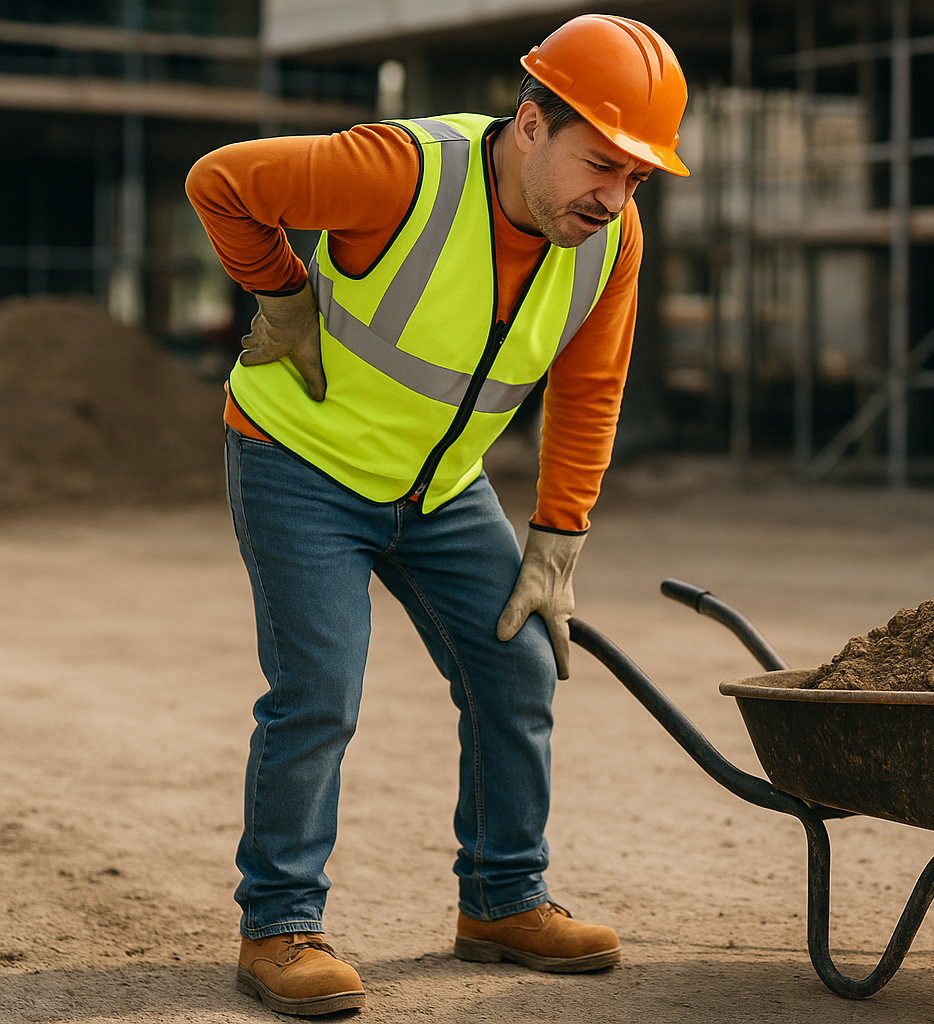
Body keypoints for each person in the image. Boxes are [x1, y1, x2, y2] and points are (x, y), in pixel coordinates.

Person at [184, 14, 689, 1016]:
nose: (617, 196)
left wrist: (560, 536)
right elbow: (221, 180)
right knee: (319, 689)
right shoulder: (399, 171)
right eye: (602, 165)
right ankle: (279, 924)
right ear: (532, 122)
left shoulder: (609, 238)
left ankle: (503, 899)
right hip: (302, 463)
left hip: (441, 488)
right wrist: (280, 293)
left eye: (638, 177)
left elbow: (592, 382)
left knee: (516, 666)